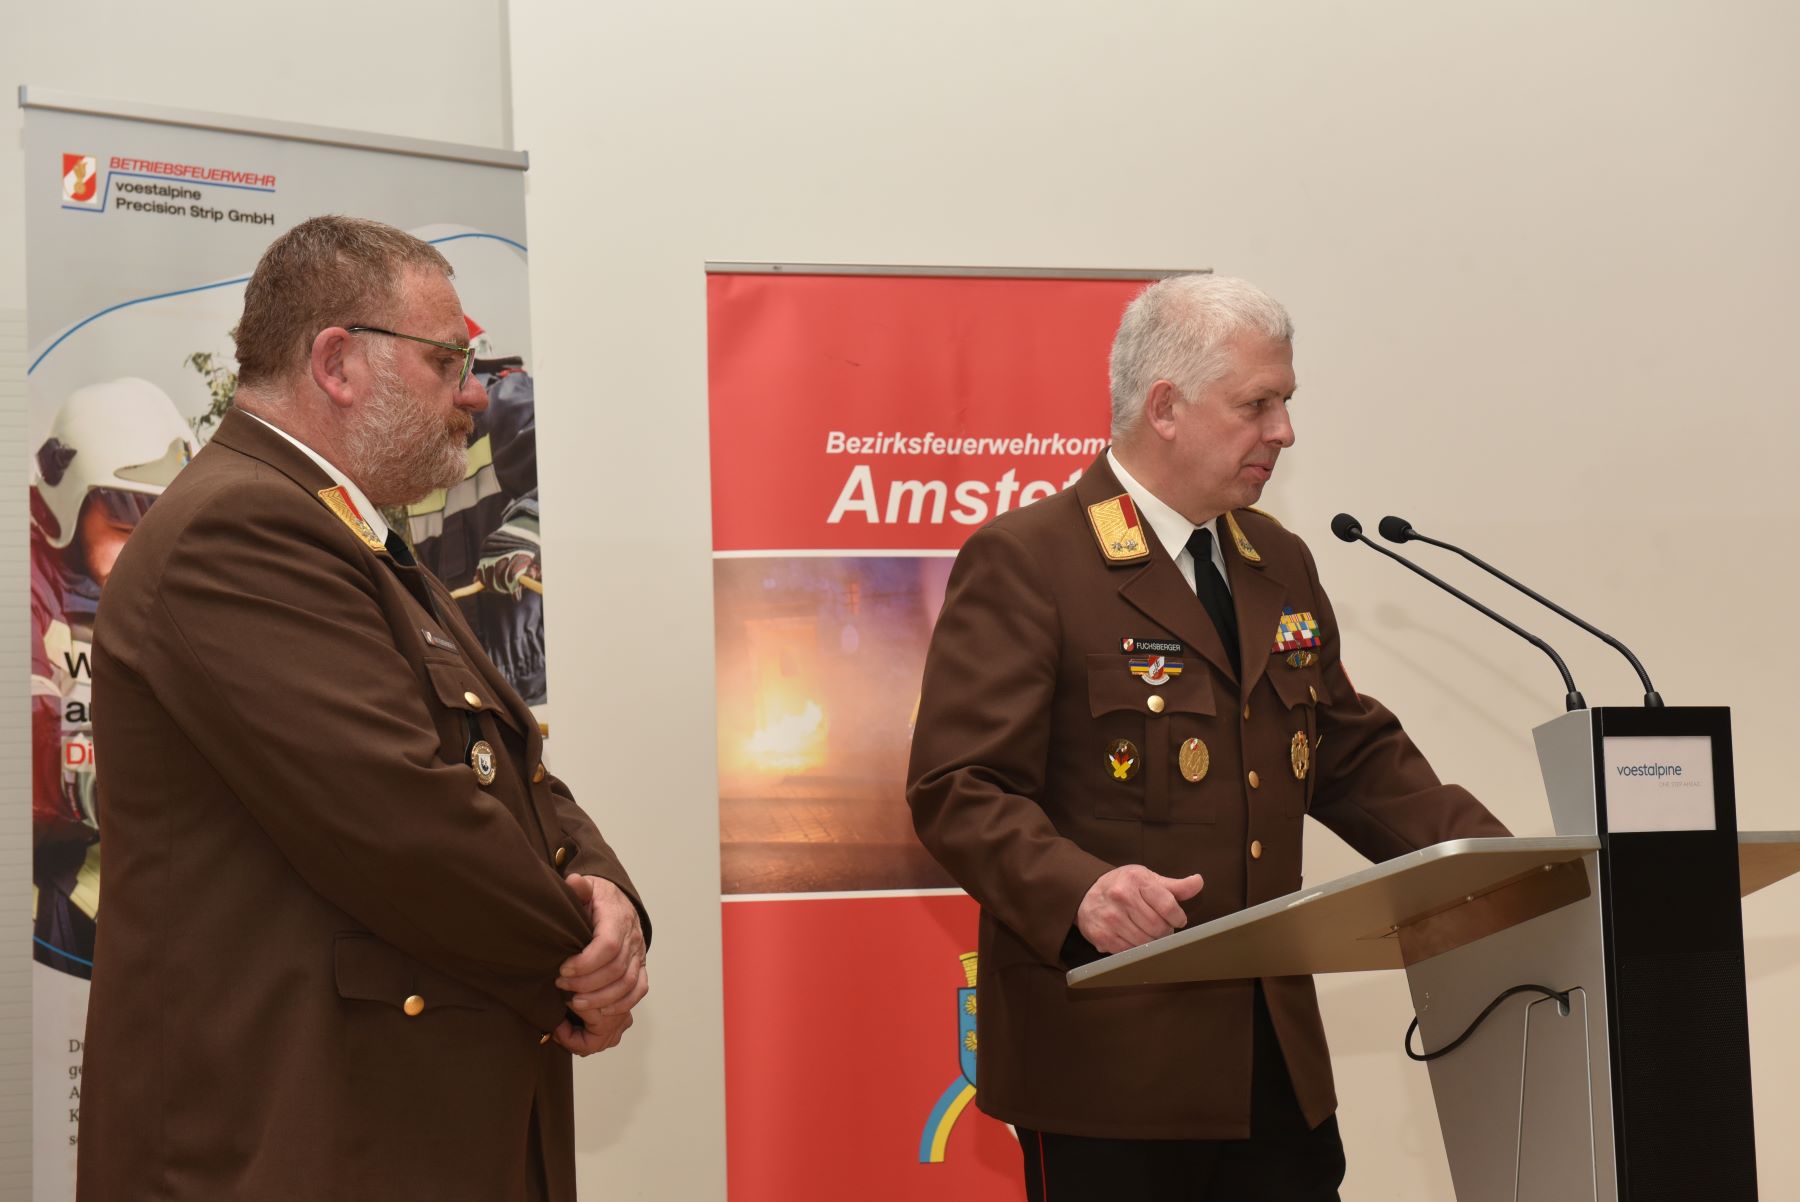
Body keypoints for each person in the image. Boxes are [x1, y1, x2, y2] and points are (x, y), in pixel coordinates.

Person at [78, 216, 648, 1202]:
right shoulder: (238, 529)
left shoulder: (350, 534)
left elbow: (509, 766)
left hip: (389, 1127)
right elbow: (399, 816)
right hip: (297, 1140)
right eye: (447, 361)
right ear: (337, 362)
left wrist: (609, 896)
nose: (473, 392)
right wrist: (577, 955)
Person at [905, 274, 1507, 1201]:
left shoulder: (1277, 559)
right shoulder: (1032, 559)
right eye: (1257, 405)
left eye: (1286, 403)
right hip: (1111, 1065)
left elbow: (1348, 753)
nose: (1284, 432)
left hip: (1274, 1067)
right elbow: (959, 785)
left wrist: (1500, 866)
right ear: (1166, 408)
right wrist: (1079, 889)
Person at [30, 378, 197, 979]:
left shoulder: (170, 589)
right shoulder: (26, 585)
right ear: (68, 503)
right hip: (55, 898)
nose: (148, 543)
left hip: (157, 887)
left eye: (165, 521)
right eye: (127, 520)